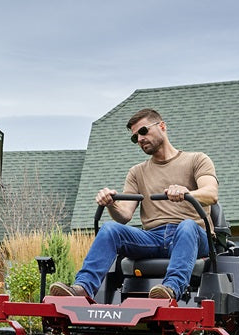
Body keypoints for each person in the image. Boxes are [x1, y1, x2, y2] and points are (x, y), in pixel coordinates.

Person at [50, 108, 218, 300]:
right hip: (153, 237)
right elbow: (124, 216)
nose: (139, 139)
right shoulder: (137, 172)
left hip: (193, 235)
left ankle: (170, 290)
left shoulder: (196, 160)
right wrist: (111, 203)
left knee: (186, 226)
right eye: (135, 137)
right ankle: (83, 288)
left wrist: (187, 193)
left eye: (143, 131)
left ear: (162, 126)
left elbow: (211, 194)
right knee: (110, 228)